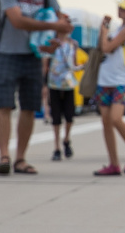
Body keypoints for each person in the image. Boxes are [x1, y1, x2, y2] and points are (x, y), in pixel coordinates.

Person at [0, 0, 72, 176]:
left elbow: (60, 18)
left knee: (29, 107)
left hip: (34, 55)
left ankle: (20, 158)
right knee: (4, 105)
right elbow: (17, 21)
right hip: (7, 52)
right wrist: (55, 26)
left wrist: (58, 37)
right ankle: (4, 155)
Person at [92, 1, 125, 176]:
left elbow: (106, 47)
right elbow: (103, 47)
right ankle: (113, 164)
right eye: (120, 7)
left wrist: (104, 30)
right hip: (104, 79)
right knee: (106, 122)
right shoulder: (118, 29)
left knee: (115, 119)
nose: (120, 10)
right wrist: (105, 29)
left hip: (121, 81)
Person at [46, 23, 82, 161]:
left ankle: (66, 139)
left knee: (69, 115)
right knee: (56, 116)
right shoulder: (52, 42)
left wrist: (82, 67)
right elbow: (46, 60)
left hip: (68, 82)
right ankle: (56, 147)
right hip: (54, 82)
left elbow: (73, 62)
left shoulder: (73, 44)